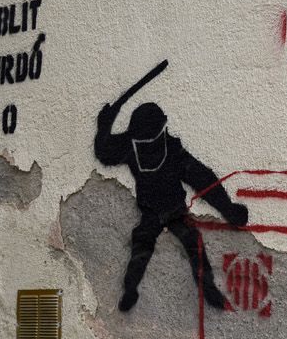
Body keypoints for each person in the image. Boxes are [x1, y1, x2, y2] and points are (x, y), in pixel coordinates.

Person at [94, 99, 248, 312]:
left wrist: (228, 209)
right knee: (141, 248)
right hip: (149, 211)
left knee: (194, 244)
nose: (147, 145)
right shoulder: (132, 147)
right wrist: (104, 126)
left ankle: (209, 290)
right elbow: (104, 153)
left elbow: (203, 179)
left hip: (176, 210)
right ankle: (130, 289)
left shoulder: (173, 150)